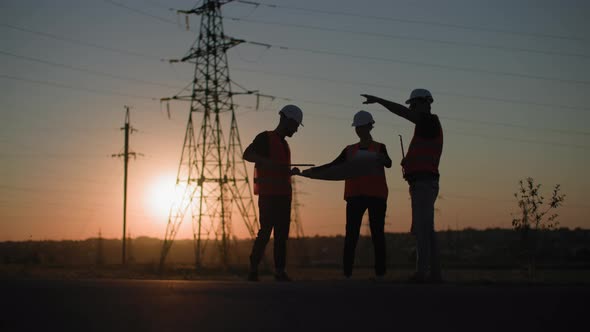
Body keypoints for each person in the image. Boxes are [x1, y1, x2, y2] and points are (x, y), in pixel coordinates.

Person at [361, 89, 443, 283]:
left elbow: (401, 112)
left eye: (413, 105)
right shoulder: (427, 127)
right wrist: (410, 163)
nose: (411, 109)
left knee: (422, 229)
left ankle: (422, 274)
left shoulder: (429, 122)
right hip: (422, 182)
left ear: (424, 103)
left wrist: (380, 99)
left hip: (424, 183)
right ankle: (434, 274)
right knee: (427, 229)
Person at [303, 110, 391, 279]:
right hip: (355, 196)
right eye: (357, 127)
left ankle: (380, 273)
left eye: (361, 127)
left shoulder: (380, 148)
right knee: (351, 235)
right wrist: (310, 172)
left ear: (369, 127)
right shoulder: (349, 150)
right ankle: (347, 273)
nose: (359, 130)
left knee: (377, 234)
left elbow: (389, 163)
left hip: (376, 196)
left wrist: (383, 159)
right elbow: (332, 165)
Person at [243, 105, 303, 282]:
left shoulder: (284, 144)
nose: (297, 129)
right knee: (265, 232)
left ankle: (279, 271)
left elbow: (279, 169)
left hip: (284, 196)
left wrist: (290, 171)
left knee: (281, 235)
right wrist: (265, 161)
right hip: (269, 196)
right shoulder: (265, 138)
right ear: (287, 121)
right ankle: (253, 268)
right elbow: (247, 154)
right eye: (296, 125)